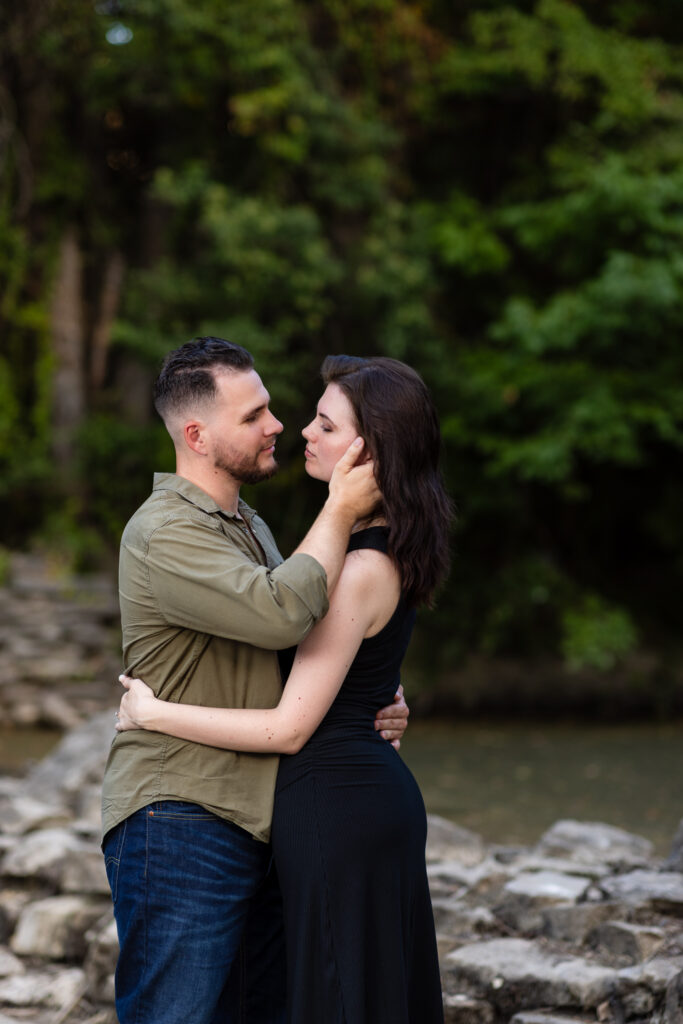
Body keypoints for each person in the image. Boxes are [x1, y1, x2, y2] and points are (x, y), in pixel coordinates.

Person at [116, 354, 453, 1024]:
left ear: (370, 450)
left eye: (319, 421)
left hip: (275, 811)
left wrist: (370, 699)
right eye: (255, 415)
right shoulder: (168, 530)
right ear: (197, 437)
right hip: (184, 810)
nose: (285, 426)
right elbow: (283, 617)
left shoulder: (269, 534)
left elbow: (294, 653)